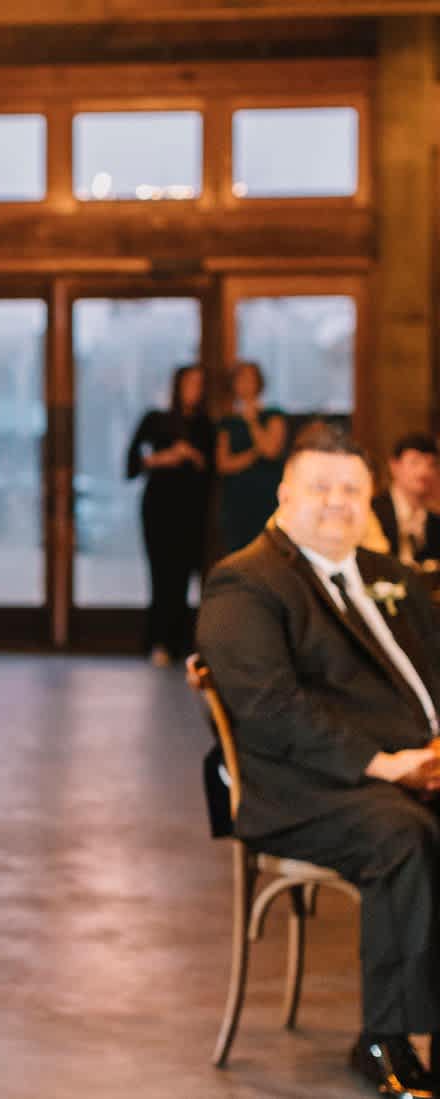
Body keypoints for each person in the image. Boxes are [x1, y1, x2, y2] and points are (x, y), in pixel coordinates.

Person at [197, 421, 440, 1099]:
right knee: (403, 835)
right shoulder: (244, 582)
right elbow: (270, 709)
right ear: (284, 493)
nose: (338, 501)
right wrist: (382, 764)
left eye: (352, 489)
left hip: (412, 768)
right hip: (301, 787)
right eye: (321, 486)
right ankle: (385, 1040)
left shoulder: (389, 577)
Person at [125, 364, 214, 665]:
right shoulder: (155, 420)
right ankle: (159, 640)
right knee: (161, 573)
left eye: (200, 384)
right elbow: (132, 464)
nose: (195, 390)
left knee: (186, 575)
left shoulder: (205, 425)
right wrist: (162, 459)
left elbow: (214, 471)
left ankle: (182, 642)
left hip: (191, 510)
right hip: (159, 508)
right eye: (190, 383)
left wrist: (194, 456)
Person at [215, 359, 287, 557]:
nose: (245, 384)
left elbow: (271, 450)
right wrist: (254, 453)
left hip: (266, 495)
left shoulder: (273, 415)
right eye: (240, 379)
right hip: (237, 498)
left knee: (269, 552)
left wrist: (252, 421)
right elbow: (223, 464)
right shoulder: (228, 421)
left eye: (249, 379)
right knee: (238, 553)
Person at [369, 433, 440, 569]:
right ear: (394, 466)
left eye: (431, 465)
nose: (424, 471)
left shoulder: (435, 521)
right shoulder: (373, 512)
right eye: (415, 462)